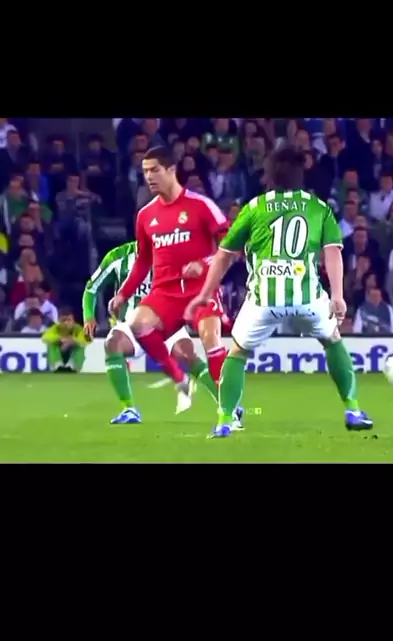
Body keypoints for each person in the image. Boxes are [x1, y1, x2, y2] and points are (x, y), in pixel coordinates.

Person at [185, 144, 373, 438]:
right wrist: (337, 295)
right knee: (332, 340)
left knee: (237, 353)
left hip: (264, 299)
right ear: (301, 176)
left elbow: (224, 255)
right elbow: (333, 252)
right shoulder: (318, 207)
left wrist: (206, 293)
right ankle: (352, 409)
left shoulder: (255, 207)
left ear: (270, 176)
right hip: (307, 296)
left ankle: (224, 420)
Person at [108, 145, 243, 428]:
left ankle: (228, 409)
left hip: (200, 289)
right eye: (145, 171)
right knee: (138, 324)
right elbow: (143, 261)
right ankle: (178, 377)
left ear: (171, 169)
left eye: (155, 170)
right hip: (165, 292)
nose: (149, 177)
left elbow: (231, 246)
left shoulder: (201, 205)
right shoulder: (146, 215)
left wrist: (204, 263)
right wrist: (123, 293)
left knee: (210, 338)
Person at [82, 241, 232, 425]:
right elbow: (91, 288)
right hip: (132, 323)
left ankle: (227, 405)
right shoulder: (118, 257)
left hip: (167, 320)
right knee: (113, 343)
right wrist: (88, 316)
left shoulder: (174, 254)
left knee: (188, 355)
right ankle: (129, 409)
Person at [42, 308, 87, 372]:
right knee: (51, 345)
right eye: (63, 320)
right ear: (59, 321)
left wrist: (72, 341)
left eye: (69, 320)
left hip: (72, 352)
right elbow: (45, 337)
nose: (66, 323)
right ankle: (57, 366)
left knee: (80, 346)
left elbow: (84, 340)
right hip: (60, 351)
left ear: (73, 321)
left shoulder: (78, 329)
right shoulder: (55, 328)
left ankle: (74, 367)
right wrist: (60, 339)